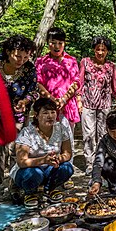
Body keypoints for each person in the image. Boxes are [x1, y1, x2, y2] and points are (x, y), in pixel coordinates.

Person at [0, 35, 38, 205]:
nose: (21, 60)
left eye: (25, 57)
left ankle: (15, 188)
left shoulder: (29, 69)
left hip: (18, 118)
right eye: (17, 56)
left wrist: (25, 101)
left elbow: (34, 91)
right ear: (8, 52)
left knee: (17, 151)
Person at [35, 27, 80, 189]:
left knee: (68, 141)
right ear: (48, 43)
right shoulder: (41, 61)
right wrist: (53, 100)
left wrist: (64, 99)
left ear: (64, 43)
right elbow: (38, 82)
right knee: (47, 141)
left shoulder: (71, 60)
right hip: (47, 108)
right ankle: (46, 174)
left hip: (68, 108)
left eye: (60, 42)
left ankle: (66, 175)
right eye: (53, 42)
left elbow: (76, 82)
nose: (56, 46)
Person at [10, 98, 74, 209]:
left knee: (67, 167)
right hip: (29, 171)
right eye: (45, 113)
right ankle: (30, 193)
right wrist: (43, 160)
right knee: (35, 173)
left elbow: (68, 153)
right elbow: (21, 161)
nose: (50, 116)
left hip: (50, 168)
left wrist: (58, 159)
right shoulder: (27, 132)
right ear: (36, 115)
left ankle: (49, 189)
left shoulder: (61, 128)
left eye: (53, 112)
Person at [79, 36, 116, 175]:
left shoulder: (111, 66)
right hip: (88, 103)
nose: (100, 52)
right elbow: (79, 81)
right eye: (98, 49)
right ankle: (90, 163)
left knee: (103, 133)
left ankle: (102, 161)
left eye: (103, 50)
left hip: (105, 104)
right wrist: (78, 100)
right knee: (88, 134)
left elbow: (115, 83)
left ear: (107, 51)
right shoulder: (85, 62)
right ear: (94, 50)